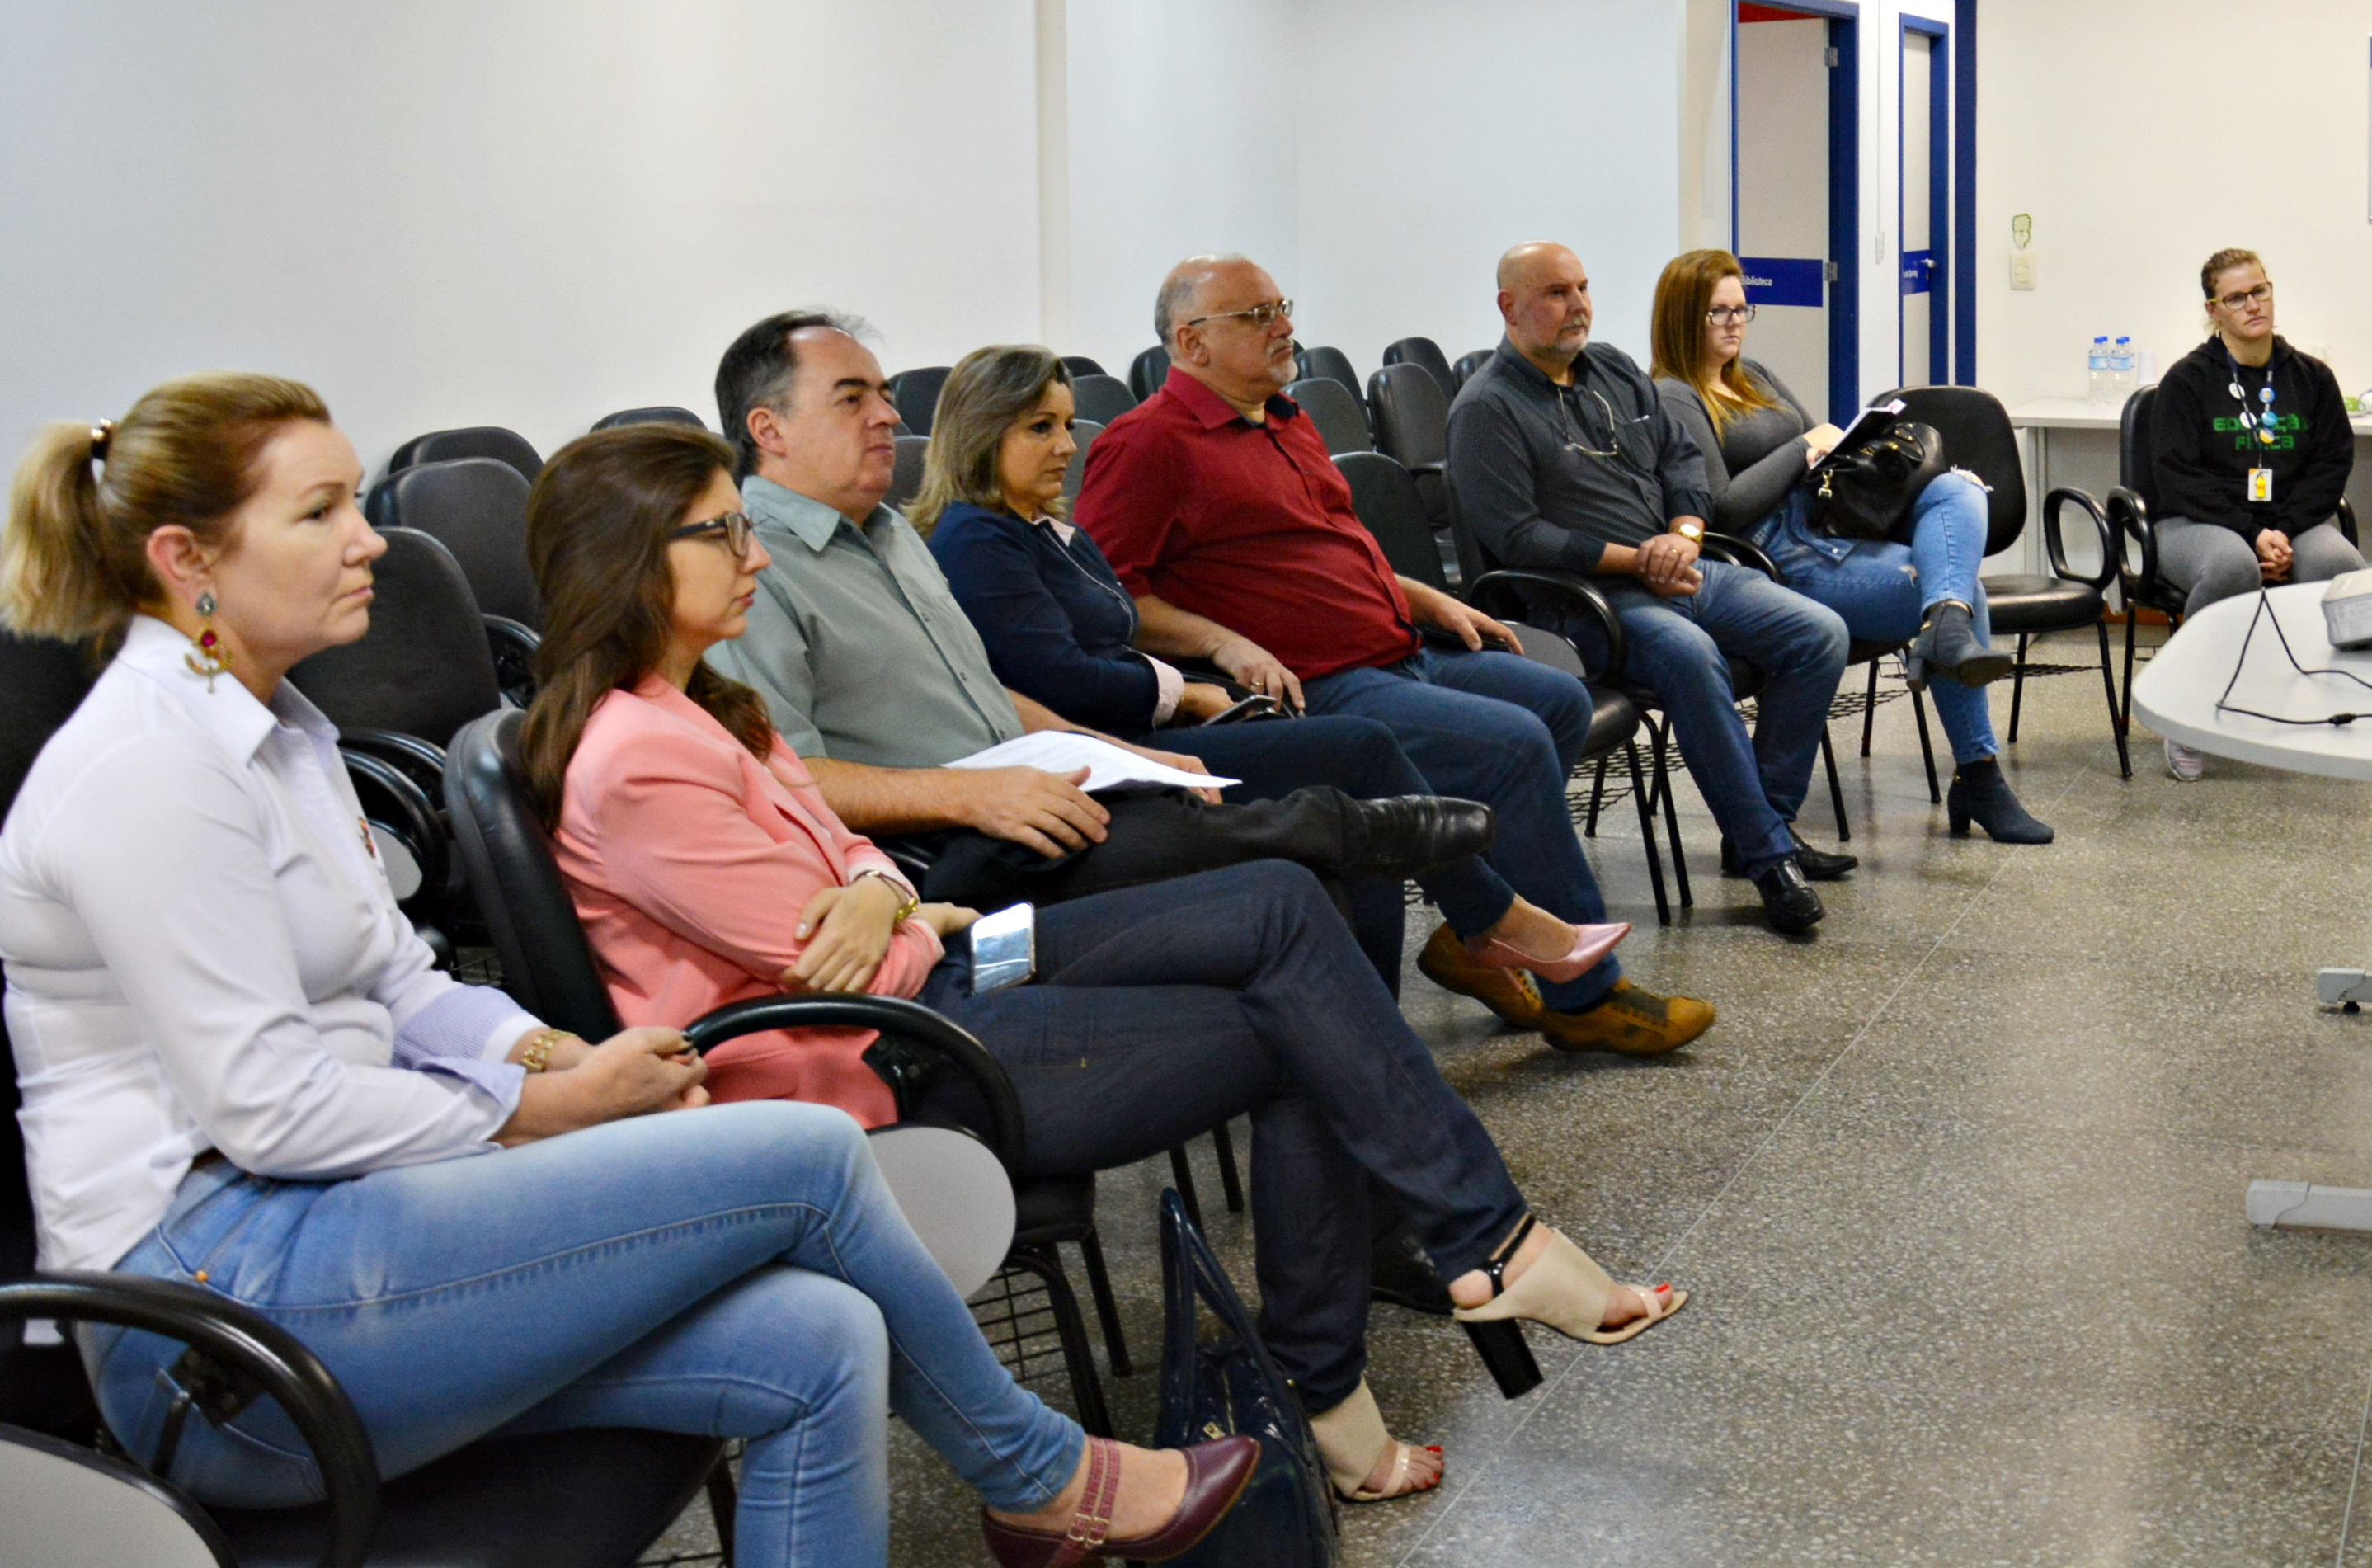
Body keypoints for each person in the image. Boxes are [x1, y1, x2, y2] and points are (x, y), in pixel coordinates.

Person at [0, 374, 1257, 1568]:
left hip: (331, 1231)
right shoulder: (153, 771)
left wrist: (558, 1056)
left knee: (821, 1337)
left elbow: (404, 987)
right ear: (188, 559)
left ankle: (1042, 1487)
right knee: (809, 1157)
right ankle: (1044, 1480)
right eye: (319, 511)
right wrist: (543, 1110)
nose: (366, 537)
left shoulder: (276, 736)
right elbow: (271, 1110)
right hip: (222, 1326)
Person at [527, 424, 1687, 1505]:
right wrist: (902, 910)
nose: (756, 556)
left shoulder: (710, 706)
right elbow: (844, 969)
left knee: (1286, 910)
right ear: (630, 560)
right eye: (723, 532)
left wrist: (885, 898)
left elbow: (860, 867)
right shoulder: (634, 761)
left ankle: (1464, 1263)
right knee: (1311, 1025)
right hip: (886, 1065)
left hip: (938, 979)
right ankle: (1407, 1313)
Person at [944, 331, 1700, 1058]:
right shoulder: (1137, 449)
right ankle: (1574, 988)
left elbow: (1338, 549)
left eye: (1280, 308)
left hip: (1393, 648)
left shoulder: (1283, 422)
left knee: (1557, 701)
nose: (1284, 326)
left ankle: (1475, 926)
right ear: (1193, 341)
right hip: (1307, 680)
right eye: (1256, 314)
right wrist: (1206, 664)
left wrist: (1428, 600)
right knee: (1474, 751)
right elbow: (1097, 638)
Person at [702, 310, 1487, 916]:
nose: (884, 414)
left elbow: (986, 692)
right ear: (769, 429)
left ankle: (1393, 877)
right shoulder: (755, 569)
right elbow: (786, 778)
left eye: (881, 394)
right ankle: (1395, 858)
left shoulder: (890, 535)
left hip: (1029, 788)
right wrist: (978, 794)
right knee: (1291, 867)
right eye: (852, 399)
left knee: (1290, 858)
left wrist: (1117, 751)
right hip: (954, 845)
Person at [1448, 242, 1851, 938]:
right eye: (1555, 293)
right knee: (1691, 656)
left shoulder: (1612, 368)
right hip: (1587, 601)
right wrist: (1637, 560)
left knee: (1819, 634)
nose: (1578, 305)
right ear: (1509, 307)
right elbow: (1519, 538)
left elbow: (1682, 459)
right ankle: (1770, 860)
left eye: (1582, 288)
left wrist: (1685, 533)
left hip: (1680, 565)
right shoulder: (1487, 407)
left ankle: (1765, 824)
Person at [1648, 248, 2052, 846]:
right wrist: (1801, 448)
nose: (1735, 324)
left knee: (1957, 489)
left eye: (1742, 309)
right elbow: (1722, 508)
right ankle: (1979, 774)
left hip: (1829, 522)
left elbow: (1824, 446)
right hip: (1775, 554)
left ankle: (1946, 634)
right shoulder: (1674, 395)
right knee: (1958, 591)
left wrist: (1834, 442)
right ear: (1683, 316)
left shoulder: (1752, 374)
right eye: (1718, 313)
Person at [2141, 247, 2366, 779]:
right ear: (2214, 310)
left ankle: (2339, 710)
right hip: (2196, 523)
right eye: (2236, 298)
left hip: (2291, 524)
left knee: (2342, 569)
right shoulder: (2187, 380)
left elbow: (2331, 466)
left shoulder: (2311, 377)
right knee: (2231, 567)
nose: (2252, 305)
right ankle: (2185, 714)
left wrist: (2281, 530)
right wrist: (2250, 532)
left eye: (2259, 291)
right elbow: (2177, 476)